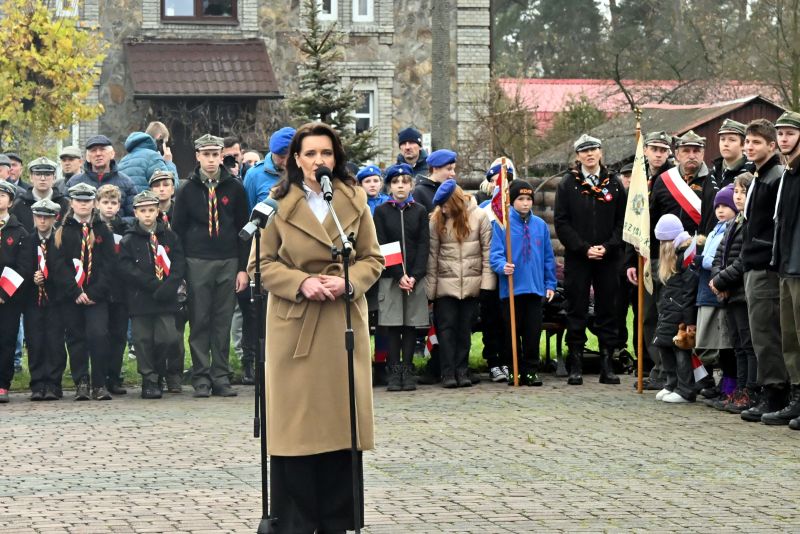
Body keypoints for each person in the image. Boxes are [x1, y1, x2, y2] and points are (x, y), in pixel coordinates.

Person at [248, 122, 383, 533]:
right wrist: (300, 283)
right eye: (309, 154)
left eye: (326, 153)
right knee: (297, 431)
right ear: (295, 160)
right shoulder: (275, 204)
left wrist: (348, 281)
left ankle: (339, 522)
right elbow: (260, 264)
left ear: (336, 158)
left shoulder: (355, 200)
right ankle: (294, 523)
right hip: (295, 330)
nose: (318, 161)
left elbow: (372, 259)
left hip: (342, 325)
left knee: (340, 428)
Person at [172, 134, 249, 398]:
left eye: (215, 154)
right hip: (197, 262)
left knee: (222, 321)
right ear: (197, 156)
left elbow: (243, 229)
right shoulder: (186, 189)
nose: (211, 160)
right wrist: (181, 271)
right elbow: (177, 232)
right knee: (200, 320)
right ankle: (201, 377)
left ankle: (221, 376)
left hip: (228, 261)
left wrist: (243, 268)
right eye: (206, 154)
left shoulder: (235, 187)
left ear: (222, 156)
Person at [554, 134, 626, 386]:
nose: (590, 154)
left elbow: (622, 222)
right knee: (577, 309)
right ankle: (575, 364)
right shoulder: (567, 184)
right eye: (584, 151)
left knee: (608, 309)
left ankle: (607, 364)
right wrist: (583, 248)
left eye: (594, 149)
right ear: (577, 156)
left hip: (608, 257)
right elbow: (561, 222)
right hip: (579, 258)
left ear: (601, 152)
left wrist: (608, 246)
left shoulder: (615, 184)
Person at [738, 119, 788, 423]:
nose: (749, 146)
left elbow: (774, 225)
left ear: (772, 146)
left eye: (756, 142)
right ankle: (769, 391)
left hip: (766, 267)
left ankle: (776, 394)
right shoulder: (759, 176)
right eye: (748, 141)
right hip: (752, 264)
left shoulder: (775, 178)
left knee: (768, 334)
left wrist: (760, 251)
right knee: (758, 334)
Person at [427, 179, 493, 388]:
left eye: (446, 205)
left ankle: (462, 370)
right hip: (445, 285)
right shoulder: (436, 220)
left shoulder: (480, 217)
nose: (443, 210)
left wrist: (486, 285)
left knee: (465, 330)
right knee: (445, 330)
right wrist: (431, 291)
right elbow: (432, 256)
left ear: (455, 201)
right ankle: (447, 373)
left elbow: (487, 252)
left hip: (472, 283)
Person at [119, 190, 185, 399]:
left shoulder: (170, 236)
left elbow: (178, 264)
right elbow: (126, 268)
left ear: (158, 211)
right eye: (142, 211)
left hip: (165, 298)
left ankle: (161, 371)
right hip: (141, 298)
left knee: (168, 338)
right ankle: (149, 378)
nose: (147, 215)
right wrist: (151, 284)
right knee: (143, 339)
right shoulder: (129, 239)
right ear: (135, 212)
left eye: (151, 210)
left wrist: (168, 286)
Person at [490, 180, 557, 386]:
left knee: (532, 332)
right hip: (512, 289)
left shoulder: (540, 225)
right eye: (520, 199)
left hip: (535, 289)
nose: (525, 203)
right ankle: (514, 368)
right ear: (512, 201)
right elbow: (495, 254)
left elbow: (548, 257)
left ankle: (530, 369)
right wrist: (502, 266)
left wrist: (550, 283)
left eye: (529, 199)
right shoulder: (502, 224)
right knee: (512, 333)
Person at [54, 183, 115, 401]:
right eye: (79, 200)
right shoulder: (62, 231)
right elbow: (57, 265)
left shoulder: (102, 230)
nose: (83, 204)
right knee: (76, 338)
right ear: (71, 202)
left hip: (96, 296)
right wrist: (75, 291)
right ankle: (81, 381)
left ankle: (100, 383)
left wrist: (94, 292)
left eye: (87, 200)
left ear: (94, 203)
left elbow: (110, 265)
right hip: (72, 297)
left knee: (98, 335)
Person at [373, 163, 429, 392]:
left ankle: (407, 368)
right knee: (393, 325)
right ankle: (394, 370)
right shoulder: (382, 211)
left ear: (411, 185)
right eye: (396, 182)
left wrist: (414, 275)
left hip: (415, 277)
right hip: (391, 276)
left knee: (411, 325)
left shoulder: (420, 211)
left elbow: (424, 244)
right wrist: (399, 275)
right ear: (390, 186)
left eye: (405, 182)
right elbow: (383, 243)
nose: (400, 187)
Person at [710, 173, 756, 413]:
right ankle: (739, 388)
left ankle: (750, 390)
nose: (738, 197)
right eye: (736, 192)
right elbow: (720, 255)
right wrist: (719, 280)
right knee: (737, 344)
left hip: (741, 292)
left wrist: (721, 280)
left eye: (743, 192)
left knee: (748, 344)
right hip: (728, 291)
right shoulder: (732, 223)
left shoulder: (750, 223)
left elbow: (742, 259)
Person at [766, 111, 800, 428]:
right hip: (785, 265)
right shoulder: (788, 174)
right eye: (781, 133)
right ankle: (797, 398)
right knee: (789, 338)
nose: (784, 138)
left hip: (799, 266)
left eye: (790, 132)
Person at [694, 184, 737, 403]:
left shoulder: (732, 229)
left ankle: (729, 387)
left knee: (725, 342)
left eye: (725, 206)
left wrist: (702, 260)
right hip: (706, 291)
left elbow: (720, 260)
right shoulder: (714, 230)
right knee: (709, 341)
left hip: (718, 291)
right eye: (718, 206)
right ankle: (719, 383)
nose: (720, 210)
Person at [652, 214, 699, 403]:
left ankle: (685, 388)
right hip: (669, 310)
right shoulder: (674, 257)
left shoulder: (685, 256)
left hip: (679, 312)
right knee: (664, 345)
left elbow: (688, 291)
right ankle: (671, 383)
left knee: (680, 350)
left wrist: (688, 321)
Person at [24, 199, 66, 401]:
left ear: (54, 218)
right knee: (35, 341)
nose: (42, 220)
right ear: (34, 218)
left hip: (56, 300)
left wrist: (49, 277)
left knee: (55, 341)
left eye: (46, 217)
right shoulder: (28, 240)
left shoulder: (59, 241)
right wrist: (32, 277)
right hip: (33, 300)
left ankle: (53, 383)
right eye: (39, 216)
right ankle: (37, 383)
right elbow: (22, 266)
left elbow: (65, 268)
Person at [480, 159, 514, 382]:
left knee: (507, 319)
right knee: (491, 319)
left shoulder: (517, 207)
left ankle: (509, 360)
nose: (501, 185)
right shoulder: (483, 210)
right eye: (496, 181)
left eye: (506, 181)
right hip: (489, 271)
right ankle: (493, 361)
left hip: (511, 272)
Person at [95, 184, 130, 395]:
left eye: (113, 203)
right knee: (101, 334)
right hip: (100, 289)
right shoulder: (93, 227)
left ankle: (114, 377)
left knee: (119, 335)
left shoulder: (125, 228)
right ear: (97, 204)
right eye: (105, 203)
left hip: (120, 289)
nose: (109, 207)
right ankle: (99, 376)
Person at [0, 181, 29, 404]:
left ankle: (2, 384)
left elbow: (23, 266)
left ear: (10, 201)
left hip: (7, 299)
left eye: (2, 195)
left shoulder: (19, 232)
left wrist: (3, 293)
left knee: (7, 340)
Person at [66, 136, 138, 217]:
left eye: (102, 149)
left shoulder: (126, 183)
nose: (98, 154)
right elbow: (65, 214)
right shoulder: (74, 182)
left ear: (112, 154)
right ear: (87, 157)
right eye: (93, 150)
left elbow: (134, 216)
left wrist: (117, 223)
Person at [701, 119, 749, 237]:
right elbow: (705, 213)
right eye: (722, 139)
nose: (725, 144)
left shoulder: (749, 174)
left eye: (732, 140)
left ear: (743, 144)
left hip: (735, 243)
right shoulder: (711, 175)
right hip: (709, 241)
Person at [243, 126, 295, 212]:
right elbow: (248, 212)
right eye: (281, 157)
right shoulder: (253, 175)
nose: (286, 162)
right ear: (272, 152)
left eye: (291, 157)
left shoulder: (305, 172)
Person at [12, 157, 69, 233]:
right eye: (38, 174)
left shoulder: (65, 204)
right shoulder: (19, 204)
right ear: (31, 177)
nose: (42, 178)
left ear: (54, 178)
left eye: (47, 174)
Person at [413, 149, 456, 213]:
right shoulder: (419, 192)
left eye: (453, 169)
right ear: (435, 168)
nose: (453, 173)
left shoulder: (452, 189)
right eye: (449, 169)